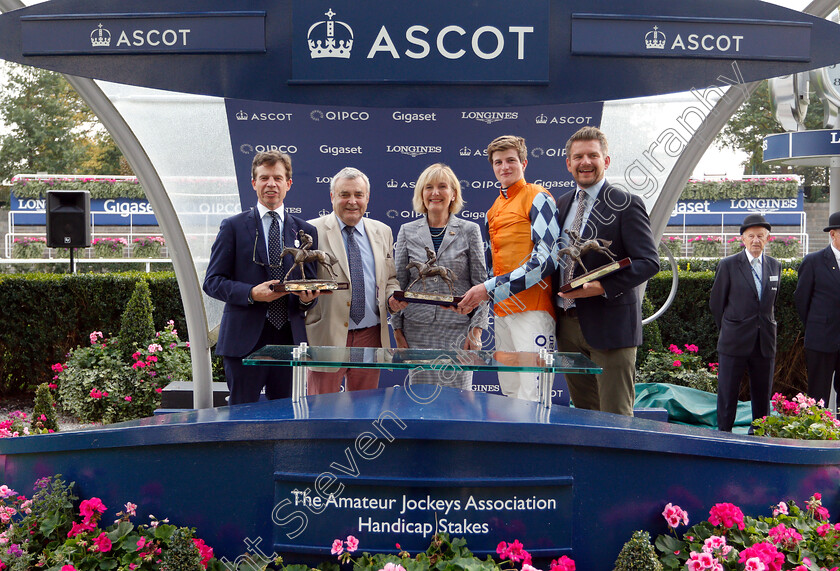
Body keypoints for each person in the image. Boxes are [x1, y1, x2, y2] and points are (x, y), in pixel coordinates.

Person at [554, 126, 659, 417]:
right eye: (578, 157)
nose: (585, 162)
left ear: (606, 161)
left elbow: (648, 262)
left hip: (611, 326)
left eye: (592, 155)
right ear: (568, 163)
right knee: (584, 413)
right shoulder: (560, 205)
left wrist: (602, 287)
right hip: (567, 328)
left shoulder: (627, 204)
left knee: (615, 416)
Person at [203, 151, 319, 405]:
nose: (271, 184)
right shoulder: (232, 227)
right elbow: (212, 281)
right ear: (253, 183)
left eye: (278, 178)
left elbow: (310, 285)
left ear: (288, 184)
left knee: (286, 418)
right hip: (244, 341)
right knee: (241, 419)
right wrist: (251, 293)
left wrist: (308, 300)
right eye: (264, 178)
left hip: (290, 340)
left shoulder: (306, 232)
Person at [458, 135, 561, 401]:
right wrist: (482, 298)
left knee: (534, 395)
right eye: (498, 162)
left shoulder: (538, 197)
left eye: (511, 160)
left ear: (524, 162)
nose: (505, 167)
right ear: (492, 167)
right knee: (510, 391)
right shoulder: (493, 210)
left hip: (534, 311)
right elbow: (493, 268)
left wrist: (489, 289)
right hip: (502, 313)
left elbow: (546, 260)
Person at [391, 163, 489, 389]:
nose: (435, 193)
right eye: (429, 187)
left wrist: (476, 331)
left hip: (458, 332)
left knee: (458, 404)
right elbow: (399, 286)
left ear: (453, 193)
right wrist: (397, 330)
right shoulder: (407, 230)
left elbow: (481, 285)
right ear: (421, 194)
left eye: (442, 186)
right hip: (416, 332)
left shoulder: (470, 230)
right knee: (420, 401)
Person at [305, 167, 401, 394]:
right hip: (326, 336)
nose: (352, 201)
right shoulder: (311, 230)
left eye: (358, 195)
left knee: (364, 412)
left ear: (367, 198)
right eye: (344, 194)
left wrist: (391, 296)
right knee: (321, 412)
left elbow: (390, 279)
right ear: (332, 197)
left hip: (370, 336)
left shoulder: (383, 231)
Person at [710, 213, 781, 431]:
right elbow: (716, 303)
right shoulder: (729, 265)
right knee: (728, 393)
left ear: (768, 238)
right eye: (751, 236)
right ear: (743, 239)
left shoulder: (775, 266)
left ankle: (759, 433)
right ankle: (724, 434)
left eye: (761, 236)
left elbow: (772, 302)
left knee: (762, 395)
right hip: (734, 340)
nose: (756, 240)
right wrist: (730, 328)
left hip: (764, 341)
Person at [794, 211, 840, 409]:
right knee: (817, 396)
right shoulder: (813, 261)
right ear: (833, 234)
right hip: (821, 340)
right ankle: (817, 436)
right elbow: (801, 300)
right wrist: (819, 324)